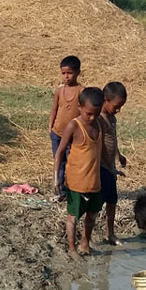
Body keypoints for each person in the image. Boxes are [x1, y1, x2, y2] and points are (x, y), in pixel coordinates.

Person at [53, 87, 105, 260]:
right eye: (88, 114)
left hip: (94, 182)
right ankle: (72, 248)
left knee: (92, 214)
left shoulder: (99, 124)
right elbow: (60, 152)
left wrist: (111, 167)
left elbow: (101, 150)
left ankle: (85, 242)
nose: (92, 118)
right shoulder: (74, 126)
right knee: (73, 216)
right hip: (76, 182)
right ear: (80, 107)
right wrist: (56, 179)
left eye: (96, 114)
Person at [47, 56, 83, 202]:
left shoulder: (82, 91)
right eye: (63, 73)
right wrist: (50, 126)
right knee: (58, 159)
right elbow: (54, 109)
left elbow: (84, 113)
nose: (66, 76)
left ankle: (72, 189)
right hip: (57, 133)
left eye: (69, 73)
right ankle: (59, 189)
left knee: (71, 162)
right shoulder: (59, 91)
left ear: (78, 72)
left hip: (72, 136)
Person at [97, 82, 128, 246]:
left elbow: (112, 140)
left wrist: (118, 155)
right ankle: (87, 237)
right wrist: (107, 167)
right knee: (97, 204)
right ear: (105, 100)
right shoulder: (99, 119)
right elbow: (99, 144)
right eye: (116, 106)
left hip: (110, 167)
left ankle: (110, 233)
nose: (118, 110)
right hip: (102, 168)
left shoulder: (112, 118)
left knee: (112, 201)